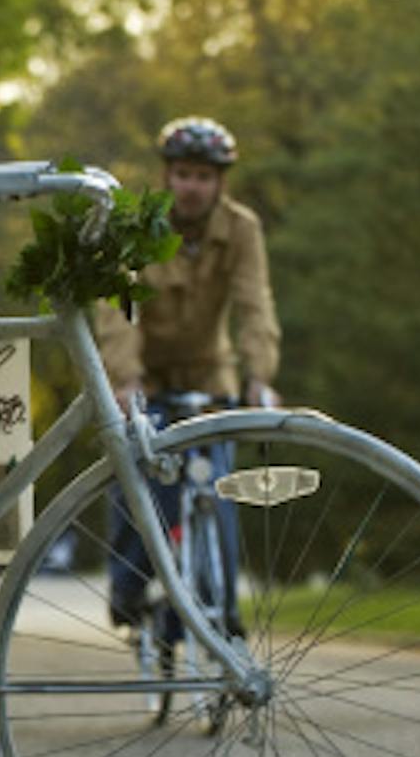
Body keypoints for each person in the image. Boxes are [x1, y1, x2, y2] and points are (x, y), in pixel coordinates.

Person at [94, 116, 281, 637]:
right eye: (182, 174)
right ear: (167, 176)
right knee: (140, 481)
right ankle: (128, 587)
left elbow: (255, 306)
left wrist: (259, 379)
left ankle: (220, 609)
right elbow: (117, 305)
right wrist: (126, 378)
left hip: (209, 378)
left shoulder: (242, 229)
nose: (192, 186)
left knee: (219, 492)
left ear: (220, 181)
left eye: (203, 176)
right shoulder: (137, 226)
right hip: (145, 377)